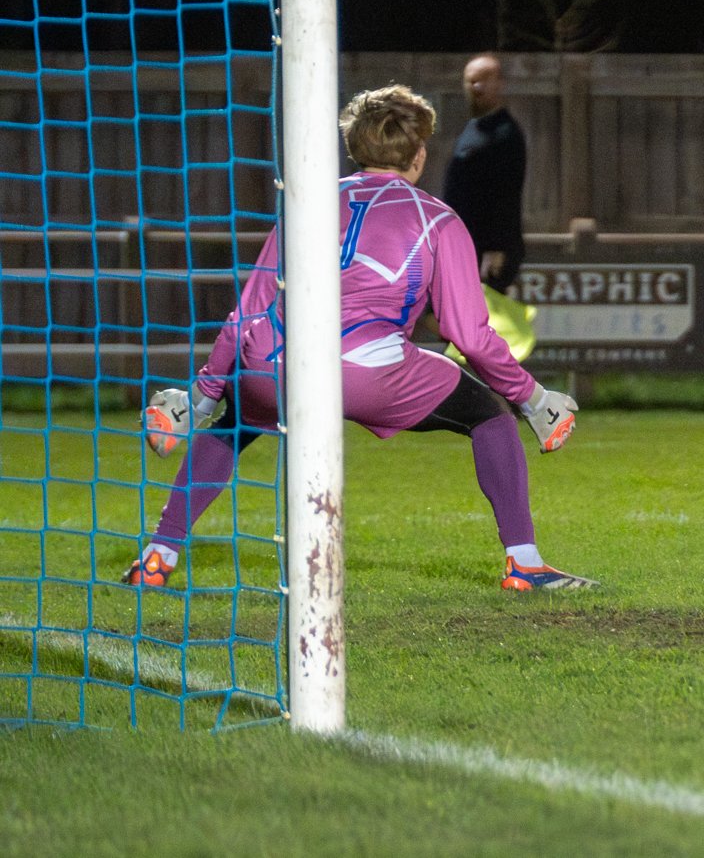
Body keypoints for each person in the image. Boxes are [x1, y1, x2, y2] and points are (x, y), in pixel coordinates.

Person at [127, 84, 592, 592]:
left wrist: (198, 396)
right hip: (370, 371)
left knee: (233, 423)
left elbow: (250, 310)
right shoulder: (438, 219)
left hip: (273, 363)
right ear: (419, 154)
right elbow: (470, 336)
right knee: (489, 416)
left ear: (354, 148)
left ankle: (157, 555)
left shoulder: (306, 204)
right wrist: (534, 399)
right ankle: (524, 562)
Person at [443, 54, 527, 295]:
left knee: (482, 324)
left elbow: (507, 194)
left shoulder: (505, 133)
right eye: (471, 81)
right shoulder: (474, 127)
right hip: (463, 247)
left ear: (499, 83)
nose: (476, 87)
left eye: (484, 81)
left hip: (487, 252)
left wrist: (497, 248)